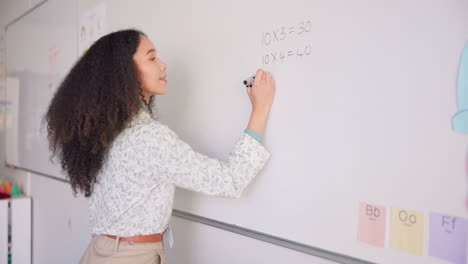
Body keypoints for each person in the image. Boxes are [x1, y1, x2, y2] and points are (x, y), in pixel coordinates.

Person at [44, 29, 275, 264]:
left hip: (102, 251)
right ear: (123, 71)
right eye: (152, 58)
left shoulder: (105, 130)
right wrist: (260, 109)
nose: (163, 65)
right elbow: (230, 181)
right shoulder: (146, 137)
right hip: (129, 257)